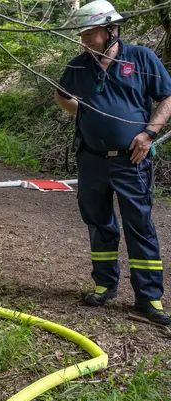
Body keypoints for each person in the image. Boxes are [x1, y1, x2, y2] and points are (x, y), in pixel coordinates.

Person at [54, 0, 171, 325]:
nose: (83, 40)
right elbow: (61, 94)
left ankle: (149, 299)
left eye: (89, 33)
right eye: (81, 35)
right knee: (99, 223)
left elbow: (167, 97)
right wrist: (82, 113)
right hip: (91, 160)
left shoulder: (141, 58)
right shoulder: (79, 66)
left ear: (110, 30)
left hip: (131, 160)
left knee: (139, 226)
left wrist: (148, 134)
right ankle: (105, 285)